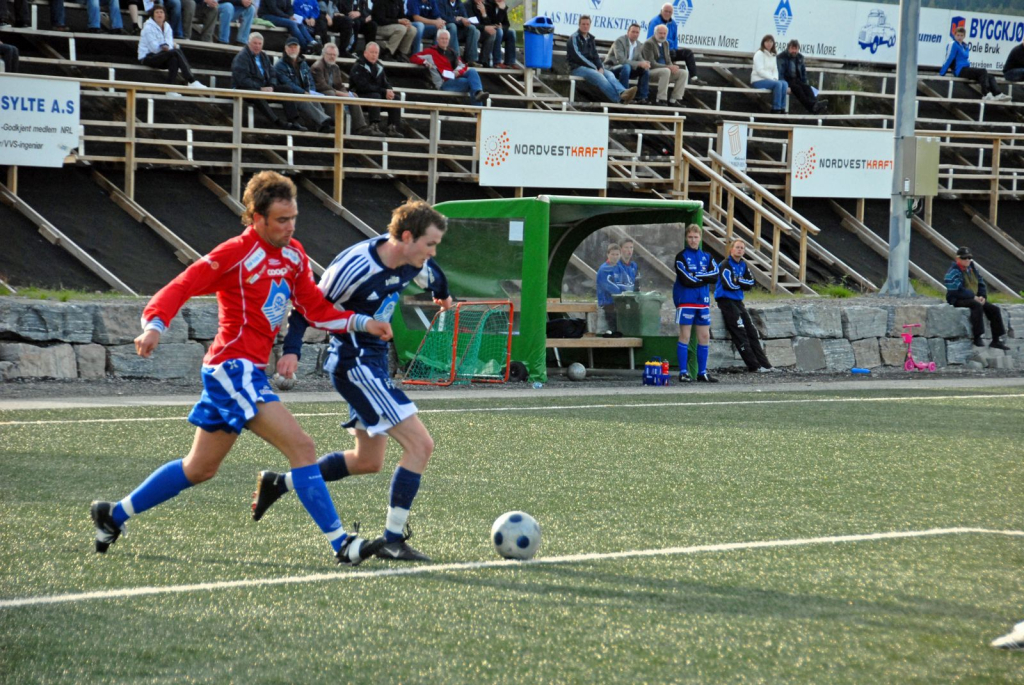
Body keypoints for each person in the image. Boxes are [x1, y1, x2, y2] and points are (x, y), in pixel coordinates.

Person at [89, 171, 393, 566]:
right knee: (302, 447)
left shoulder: (294, 255)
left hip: (243, 372)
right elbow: (182, 285)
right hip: (232, 368)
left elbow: (315, 308)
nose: (290, 227)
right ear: (256, 217)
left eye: (294, 218)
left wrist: (362, 323)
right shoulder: (235, 252)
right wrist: (154, 325)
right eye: (281, 220)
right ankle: (342, 545)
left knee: (199, 468)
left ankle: (112, 515)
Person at [251, 200, 452, 563]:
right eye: (430, 244)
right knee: (421, 445)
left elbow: (432, 273)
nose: (433, 252)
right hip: (355, 365)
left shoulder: (413, 259)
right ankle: (392, 541)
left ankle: (280, 483)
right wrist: (292, 350)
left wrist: (443, 293)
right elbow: (308, 306)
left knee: (366, 461)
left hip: (372, 362)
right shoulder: (355, 266)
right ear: (407, 237)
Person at [715, 239, 773, 373]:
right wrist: (741, 283)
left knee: (751, 331)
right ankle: (754, 366)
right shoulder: (725, 264)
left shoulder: (743, 264)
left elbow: (751, 283)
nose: (739, 250)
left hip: (738, 301)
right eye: (737, 247)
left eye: (742, 248)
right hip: (726, 301)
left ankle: (765, 365)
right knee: (740, 332)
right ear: (731, 249)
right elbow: (728, 285)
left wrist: (738, 281)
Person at [231, 32, 309, 131]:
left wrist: (271, 85)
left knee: (286, 89)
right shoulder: (241, 57)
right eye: (255, 43)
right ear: (248, 43)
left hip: (264, 88)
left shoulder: (263, 56)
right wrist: (260, 88)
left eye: (259, 44)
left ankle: (294, 121)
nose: (257, 46)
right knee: (256, 94)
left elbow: (272, 73)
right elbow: (242, 80)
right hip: (245, 89)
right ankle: (277, 122)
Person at [673, 224, 719, 383]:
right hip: (686, 301)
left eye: (696, 237)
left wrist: (697, 275)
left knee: (705, 336)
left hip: (703, 302)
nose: (693, 240)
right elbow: (686, 280)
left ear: (700, 238)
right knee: (685, 336)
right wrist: (704, 277)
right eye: (690, 237)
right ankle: (683, 372)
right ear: (686, 238)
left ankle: (702, 372)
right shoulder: (681, 256)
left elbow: (715, 276)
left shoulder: (707, 256)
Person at [943, 246, 1009, 350]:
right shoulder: (952, 272)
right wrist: (973, 297)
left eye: (969, 257)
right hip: (957, 299)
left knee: (994, 309)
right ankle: (977, 336)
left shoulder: (972, 269)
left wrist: (982, 296)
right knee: (976, 306)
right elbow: (955, 290)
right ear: (958, 259)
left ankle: (996, 340)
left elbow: (981, 283)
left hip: (973, 297)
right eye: (964, 258)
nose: (967, 260)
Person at [567, 15, 636, 105]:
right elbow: (578, 56)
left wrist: (600, 67)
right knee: (599, 76)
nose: (585, 26)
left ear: (590, 25)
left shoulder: (590, 38)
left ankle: (623, 92)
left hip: (591, 68)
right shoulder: (573, 38)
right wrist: (594, 67)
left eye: (587, 24)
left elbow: (595, 55)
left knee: (609, 74)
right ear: (579, 25)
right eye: (583, 24)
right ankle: (619, 99)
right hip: (577, 68)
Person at [311, 42, 378, 135]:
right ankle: (334, 124)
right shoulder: (317, 66)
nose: (332, 57)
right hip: (319, 93)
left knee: (353, 95)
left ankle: (360, 127)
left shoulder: (335, 67)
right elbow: (322, 86)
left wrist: (346, 94)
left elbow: (339, 85)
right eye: (330, 54)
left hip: (333, 92)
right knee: (330, 93)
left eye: (334, 55)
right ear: (324, 54)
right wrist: (341, 94)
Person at [138, 4, 208, 92]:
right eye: (157, 12)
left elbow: (169, 43)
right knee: (175, 52)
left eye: (161, 12)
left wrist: (167, 48)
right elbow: (154, 48)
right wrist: (165, 48)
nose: (159, 14)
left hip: (162, 55)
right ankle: (191, 80)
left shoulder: (167, 26)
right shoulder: (148, 27)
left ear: (164, 15)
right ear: (153, 15)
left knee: (174, 60)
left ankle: (169, 90)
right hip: (147, 57)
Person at [274, 37, 335, 133]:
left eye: (295, 47)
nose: (293, 49)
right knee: (304, 101)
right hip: (290, 95)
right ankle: (326, 120)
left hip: (304, 93)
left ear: (299, 49)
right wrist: (303, 92)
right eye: (290, 47)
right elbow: (287, 83)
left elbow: (309, 80)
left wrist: (310, 92)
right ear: (285, 49)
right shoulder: (279, 65)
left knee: (315, 100)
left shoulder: (303, 63)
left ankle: (322, 126)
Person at [411, 29, 489, 105]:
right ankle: (478, 107)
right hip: (443, 83)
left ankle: (478, 93)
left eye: (446, 39)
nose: (444, 41)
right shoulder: (430, 51)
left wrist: (458, 72)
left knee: (472, 72)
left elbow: (463, 65)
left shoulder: (452, 52)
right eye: (442, 39)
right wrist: (424, 62)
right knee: (472, 83)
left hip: (454, 77)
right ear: (437, 40)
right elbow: (413, 57)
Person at [350, 41, 404, 137]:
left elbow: (386, 83)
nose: (374, 55)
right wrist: (383, 91)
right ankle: (373, 126)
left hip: (376, 96)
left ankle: (392, 127)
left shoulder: (379, 66)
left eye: (376, 53)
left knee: (396, 98)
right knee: (375, 96)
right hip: (359, 97)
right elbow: (363, 87)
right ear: (365, 53)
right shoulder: (358, 66)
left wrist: (389, 90)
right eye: (372, 52)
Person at [941, 26, 1010, 102]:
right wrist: (942, 73)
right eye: (958, 35)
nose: (959, 37)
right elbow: (949, 58)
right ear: (954, 35)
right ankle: (986, 94)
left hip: (966, 69)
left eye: (961, 35)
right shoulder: (953, 44)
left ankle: (998, 94)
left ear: (964, 36)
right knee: (983, 71)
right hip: (959, 70)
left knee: (990, 76)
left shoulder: (964, 46)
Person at [648, 2, 705, 86]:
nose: (667, 13)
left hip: (670, 51)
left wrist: (674, 49)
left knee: (688, 53)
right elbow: (651, 38)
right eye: (666, 11)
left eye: (670, 12)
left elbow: (675, 39)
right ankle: (669, 77)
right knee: (667, 60)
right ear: (661, 11)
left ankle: (694, 78)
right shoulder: (654, 22)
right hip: (658, 51)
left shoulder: (673, 23)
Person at [777, 39, 828, 114]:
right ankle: (813, 108)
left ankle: (815, 104)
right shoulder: (781, 57)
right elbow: (780, 72)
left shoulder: (800, 57)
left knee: (807, 87)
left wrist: (804, 82)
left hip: (797, 79)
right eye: (792, 48)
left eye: (796, 49)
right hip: (787, 80)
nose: (794, 51)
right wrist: (784, 85)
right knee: (798, 89)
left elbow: (803, 72)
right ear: (788, 48)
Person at [641, 24, 687, 107]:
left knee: (683, 73)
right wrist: (669, 67)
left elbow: (668, 60)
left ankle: (674, 99)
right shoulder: (648, 43)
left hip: (664, 71)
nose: (662, 35)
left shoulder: (666, 43)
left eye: (664, 33)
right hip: (649, 71)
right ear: (655, 33)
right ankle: (661, 99)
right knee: (666, 71)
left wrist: (672, 67)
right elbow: (651, 63)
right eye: (660, 33)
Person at [605, 24, 651, 105]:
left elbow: (640, 58)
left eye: (637, 32)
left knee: (645, 70)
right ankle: (626, 94)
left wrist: (645, 63)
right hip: (612, 68)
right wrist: (639, 63)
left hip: (628, 69)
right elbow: (621, 60)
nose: (635, 34)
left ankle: (642, 97)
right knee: (626, 66)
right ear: (628, 32)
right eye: (633, 32)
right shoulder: (619, 41)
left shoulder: (638, 44)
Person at [596, 243, 631, 334]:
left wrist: (627, 289)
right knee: (608, 330)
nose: (615, 257)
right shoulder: (604, 269)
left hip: (618, 304)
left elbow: (628, 283)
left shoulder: (619, 267)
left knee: (619, 329)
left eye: (617, 254)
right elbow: (610, 287)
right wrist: (622, 290)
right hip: (606, 305)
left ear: (620, 255)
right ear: (608, 254)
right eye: (612, 254)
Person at [752, 34, 787, 114]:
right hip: (758, 80)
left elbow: (775, 69)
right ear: (763, 43)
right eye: (767, 41)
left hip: (770, 80)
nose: (769, 43)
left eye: (771, 42)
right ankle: (776, 109)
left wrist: (775, 78)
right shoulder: (759, 54)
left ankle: (782, 108)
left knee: (784, 84)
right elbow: (759, 71)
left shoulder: (773, 55)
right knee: (778, 84)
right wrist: (772, 79)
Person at [437, 0, 479, 66]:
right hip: (447, 30)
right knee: (452, 26)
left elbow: (465, 18)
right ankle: (457, 58)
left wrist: (462, 19)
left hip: (459, 29)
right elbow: (443, 17)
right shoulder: (441, 2)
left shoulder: (459, 3)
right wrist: (456, 19)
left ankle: (471, 60)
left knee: (472, 28)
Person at [485, 0, 516, 68]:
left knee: (511, 32)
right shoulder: (488, 4)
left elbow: (507, 24)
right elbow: (493, 21)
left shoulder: (502, 6)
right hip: (488, 30)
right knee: (499, 31)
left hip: (499, 29)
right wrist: (501, 10)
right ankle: (497, 61)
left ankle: (510, 62)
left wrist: (502, 27)